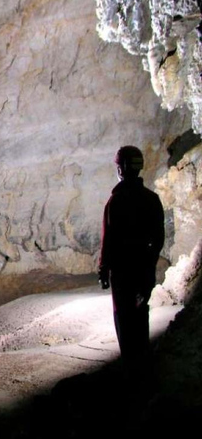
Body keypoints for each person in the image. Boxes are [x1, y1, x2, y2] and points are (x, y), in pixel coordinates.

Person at [98, 145, 164, 364]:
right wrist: (150, 261)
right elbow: (159, 237)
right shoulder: (152, 199)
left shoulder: (116, 202)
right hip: (144, 268)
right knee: (141, 313)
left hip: (122, 271)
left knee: (124, 318)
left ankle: (130, 367)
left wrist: (103, 269)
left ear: (121, 169)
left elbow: (109, 239)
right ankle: (143, 362)